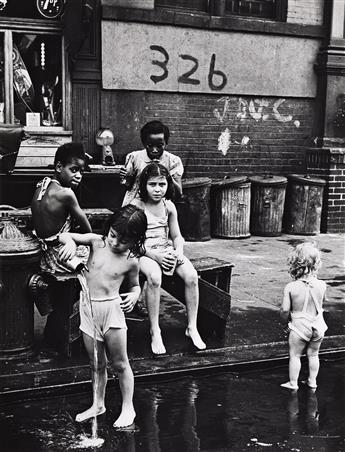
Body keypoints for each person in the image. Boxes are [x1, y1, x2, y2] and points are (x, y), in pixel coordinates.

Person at [58, 205, 147, 428]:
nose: (115, 243)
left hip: (112, 312)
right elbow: (63, 235)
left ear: (135, 240)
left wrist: (134, 296)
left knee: (120, 363)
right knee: (96, 363)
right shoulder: (96, 242)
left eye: (124, 241)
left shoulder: (131, 260)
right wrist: (69, 242)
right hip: (88, 309)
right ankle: (98, 403)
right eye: (113, 236)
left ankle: (129, 408)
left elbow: (136, 286)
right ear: (109, 229)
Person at [131, 162, 206, 355]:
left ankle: (192, 326)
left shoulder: (169, 206)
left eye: (162, 185)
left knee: (191, 276)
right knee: (155, 278)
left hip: (165, 249)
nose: (157, 189)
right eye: (152, 184)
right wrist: (154, 255)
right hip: (144, 252)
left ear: (168, 185)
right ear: (144, 185)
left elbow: (177, 236)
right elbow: (130, 242)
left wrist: (178, 251)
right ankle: (155, 329)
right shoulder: (136, 206)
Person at [31, 142, 92, 353]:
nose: (79, 176)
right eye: (73, 170)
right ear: (58, 167)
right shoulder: (66, 194)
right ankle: (78, 328)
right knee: (98, 262)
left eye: (81, 171)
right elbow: (86, 228)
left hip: (44, 252)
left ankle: (60, 325)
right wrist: (83, 241)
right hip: (59, 256)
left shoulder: (42, 184)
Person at [280, 242, 328, 390]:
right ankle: (312, 381)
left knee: (295, 355)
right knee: (314, 354)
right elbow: (323, 302)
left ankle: (293, 383)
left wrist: (286, 322)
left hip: (300, 325)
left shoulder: (291, 287)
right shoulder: (322, 285)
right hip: (318, 324)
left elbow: (284, 309)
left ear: (295, 264)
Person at [120, 120, 184, 206]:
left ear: (166, 144)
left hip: (160, 208)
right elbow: (128, 187)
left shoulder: (173, 161)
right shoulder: (134, 157)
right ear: (144, 143)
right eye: (150, 145)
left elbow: (178, 193)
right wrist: (127, 178)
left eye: (159, 146)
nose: (154, 150)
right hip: (134, 206)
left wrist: (166, 173)